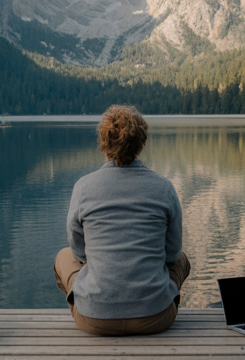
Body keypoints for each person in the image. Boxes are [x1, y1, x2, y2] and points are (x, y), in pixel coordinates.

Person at [53, 105, 190, 335]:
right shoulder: (164, 187)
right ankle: (152, 298)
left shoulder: (83, 187)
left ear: (103, 143)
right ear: (141, 143)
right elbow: (172, 254)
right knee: (181, 259)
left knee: (63, 256)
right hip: (156, 317)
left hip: (94, 319)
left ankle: (92, 301)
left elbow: (79, 252)